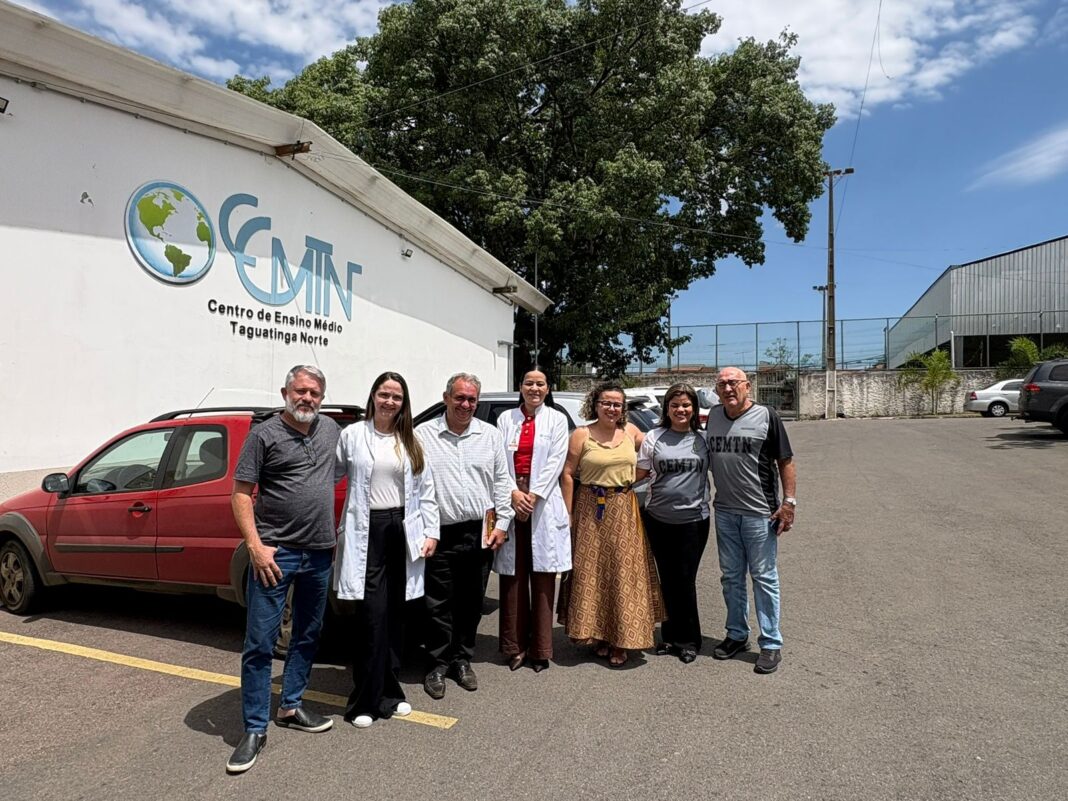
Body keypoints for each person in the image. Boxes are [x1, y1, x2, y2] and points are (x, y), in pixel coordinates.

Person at [227, 365, 340, 774]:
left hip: (320, 553)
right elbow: (241, 494)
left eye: (313, 393)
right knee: (260, 643)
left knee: (308, 635)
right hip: (277, 555)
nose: (306, 398)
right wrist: (256, 548)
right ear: (285, 392)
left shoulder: (330, 431)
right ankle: (254, 727)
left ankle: (291, 706)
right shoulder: (264, 434)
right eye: (299, 391)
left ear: (322, 398)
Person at [334, 372, 439, 728]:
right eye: (384, 394)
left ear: (403, 403)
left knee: (396, 615)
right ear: (373, 397)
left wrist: (431, 533)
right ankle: (364, 700)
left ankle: (391, 694)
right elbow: (328, 477)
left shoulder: (410, 440)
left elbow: (426, 492)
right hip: (370, 530)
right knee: (372, 617)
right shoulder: (352, 436)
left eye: (396, 396)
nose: (390, 401)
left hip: (403, 529)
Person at [415, 372, 514, 698]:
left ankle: (461, 660)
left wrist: (502, 525)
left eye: (472, 399)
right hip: (438, 534)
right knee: (437, 604)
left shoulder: (490, 435)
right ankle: (437, 665)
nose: (466, 404)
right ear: (446, 398)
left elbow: (503, 482)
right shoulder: (422, 435)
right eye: (460, 398)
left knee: (471, 602)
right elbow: (413, 487)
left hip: (479, 532)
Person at [559, 382, 664, 667]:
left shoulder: (631, 433)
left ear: (623, 408)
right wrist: (567, 513)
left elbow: (659, 448)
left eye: (617, 404)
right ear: (595, 404)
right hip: (589, 506)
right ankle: (599, 635)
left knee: (622, 571)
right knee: (592, 571)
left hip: (623, 508)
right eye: (606, 402)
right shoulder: (581, 435)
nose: (612, 408)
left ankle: (621, 640)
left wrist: (640, 477)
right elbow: (568, 474)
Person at [705, 366, 796, 675]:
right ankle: (736, 635)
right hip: (726, 512)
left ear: (747, 386)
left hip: (760, 513)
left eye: (734, 383)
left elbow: (785, 460)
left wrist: (789, 503)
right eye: (722, 384)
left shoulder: (767, 416)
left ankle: (771, 643)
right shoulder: (713, 417)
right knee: (731, 577)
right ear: (716, 390)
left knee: (764, 577)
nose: (728, 388)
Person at [494, 369, 571, 673]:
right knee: (512, 576)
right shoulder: (505, 419)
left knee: (541, 576)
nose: (534, 388)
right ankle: (514, 646)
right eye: (529, 383)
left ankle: (540, 648)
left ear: (547, 388)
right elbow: (499, 460)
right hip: (512, 497)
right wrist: (514, 493)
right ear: (520, 387)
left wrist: (533, 495)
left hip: (542, 499)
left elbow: (555, 462)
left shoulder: (556, 419)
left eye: (540, 384)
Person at [635, 383, 711, 664]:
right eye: (675, 405)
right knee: (666, 579)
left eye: (686, 405)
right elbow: (640, 473)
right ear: (667, 408)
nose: (681, 410)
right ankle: (669, 637)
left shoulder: (703, 439)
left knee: (685, 580)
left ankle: (689, 640)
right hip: (658, 519)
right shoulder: (654, 437)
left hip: (694, 520)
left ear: (694, 409)